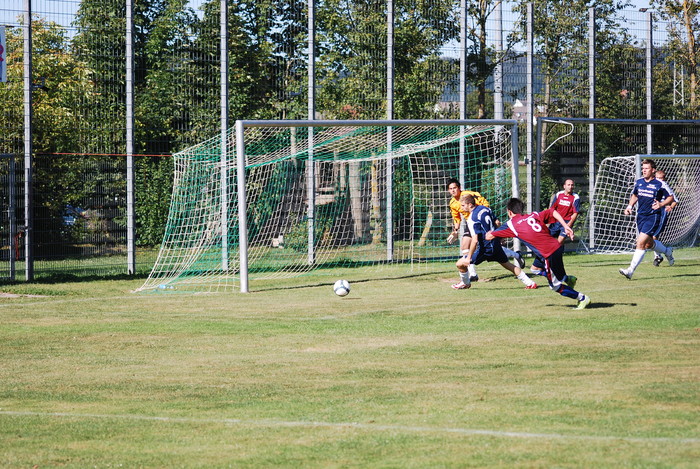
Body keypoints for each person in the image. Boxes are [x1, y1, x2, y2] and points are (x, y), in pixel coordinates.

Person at [486, 197, 591, 309]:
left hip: (548, 253)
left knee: (555, 286)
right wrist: (566, 226)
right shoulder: (534, 215)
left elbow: (489, 237)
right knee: (534, 269)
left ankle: (582, 298)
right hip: (556, 246)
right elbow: (552, 211)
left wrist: (489, 231)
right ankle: (568, 279)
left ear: (509, 212)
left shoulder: (511, 224)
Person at [446, 178, 525, 283]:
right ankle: (473, 274)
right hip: (471, 223)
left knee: (492, 247)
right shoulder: (452, 203)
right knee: (465, 245)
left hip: (482, 221)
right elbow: (456, 218)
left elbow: (484, 203)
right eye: (450, 189)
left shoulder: (469, 195)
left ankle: (516, 255)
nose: (453, 190)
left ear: (459, 188)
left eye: (454, 188)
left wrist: (488, 217)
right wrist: (455, 230)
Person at [451, 194, 537, 290]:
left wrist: (468, 258)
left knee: (460, 264)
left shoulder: (472, 219)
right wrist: (499, 237)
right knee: (508, 265)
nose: (461, 208)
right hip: (495, 244)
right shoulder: (486, 209)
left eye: (463, 205)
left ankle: (465, 283)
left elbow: (474, 240)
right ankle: (530, 283)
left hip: (486, 249)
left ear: (470, 204)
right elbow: (497, 222)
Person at [619, 159, 675, 279]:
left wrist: (661, 204)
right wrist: (629, 206)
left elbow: (671, 197)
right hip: (640, 216)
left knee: (640, 242)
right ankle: (667, 251)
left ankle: (630, 271)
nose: (644, 170)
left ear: (653, 170)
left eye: (646, 168)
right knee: (649, 244)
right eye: (643, 168)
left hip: (653, 216)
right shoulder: (639, 182)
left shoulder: (660, 183)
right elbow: (635, 195)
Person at [530, 179, 580, 276]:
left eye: (572, 185)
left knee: (558, 243)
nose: (571, 186)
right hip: (555, 222)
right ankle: (542, 263)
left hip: (566, 223)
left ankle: (553, 264)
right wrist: (547, 222)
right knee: (546, 241)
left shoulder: (575, 197)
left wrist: (568, 226)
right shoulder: (559, 195)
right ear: (564, 186)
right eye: (569, 185)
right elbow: (552, 209)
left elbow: (575, 213)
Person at [651, 169, 678, 267]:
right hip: (651, 212)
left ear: (664, 179)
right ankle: (666, 252)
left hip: (662, 212)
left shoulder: (666, 188)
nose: (659, 180)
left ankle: (658, 256)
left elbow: (675, 200)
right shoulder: (653, 186)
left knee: (654, 236)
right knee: (648, 237)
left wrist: (670, 206)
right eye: (657, 178)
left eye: (661, 178)